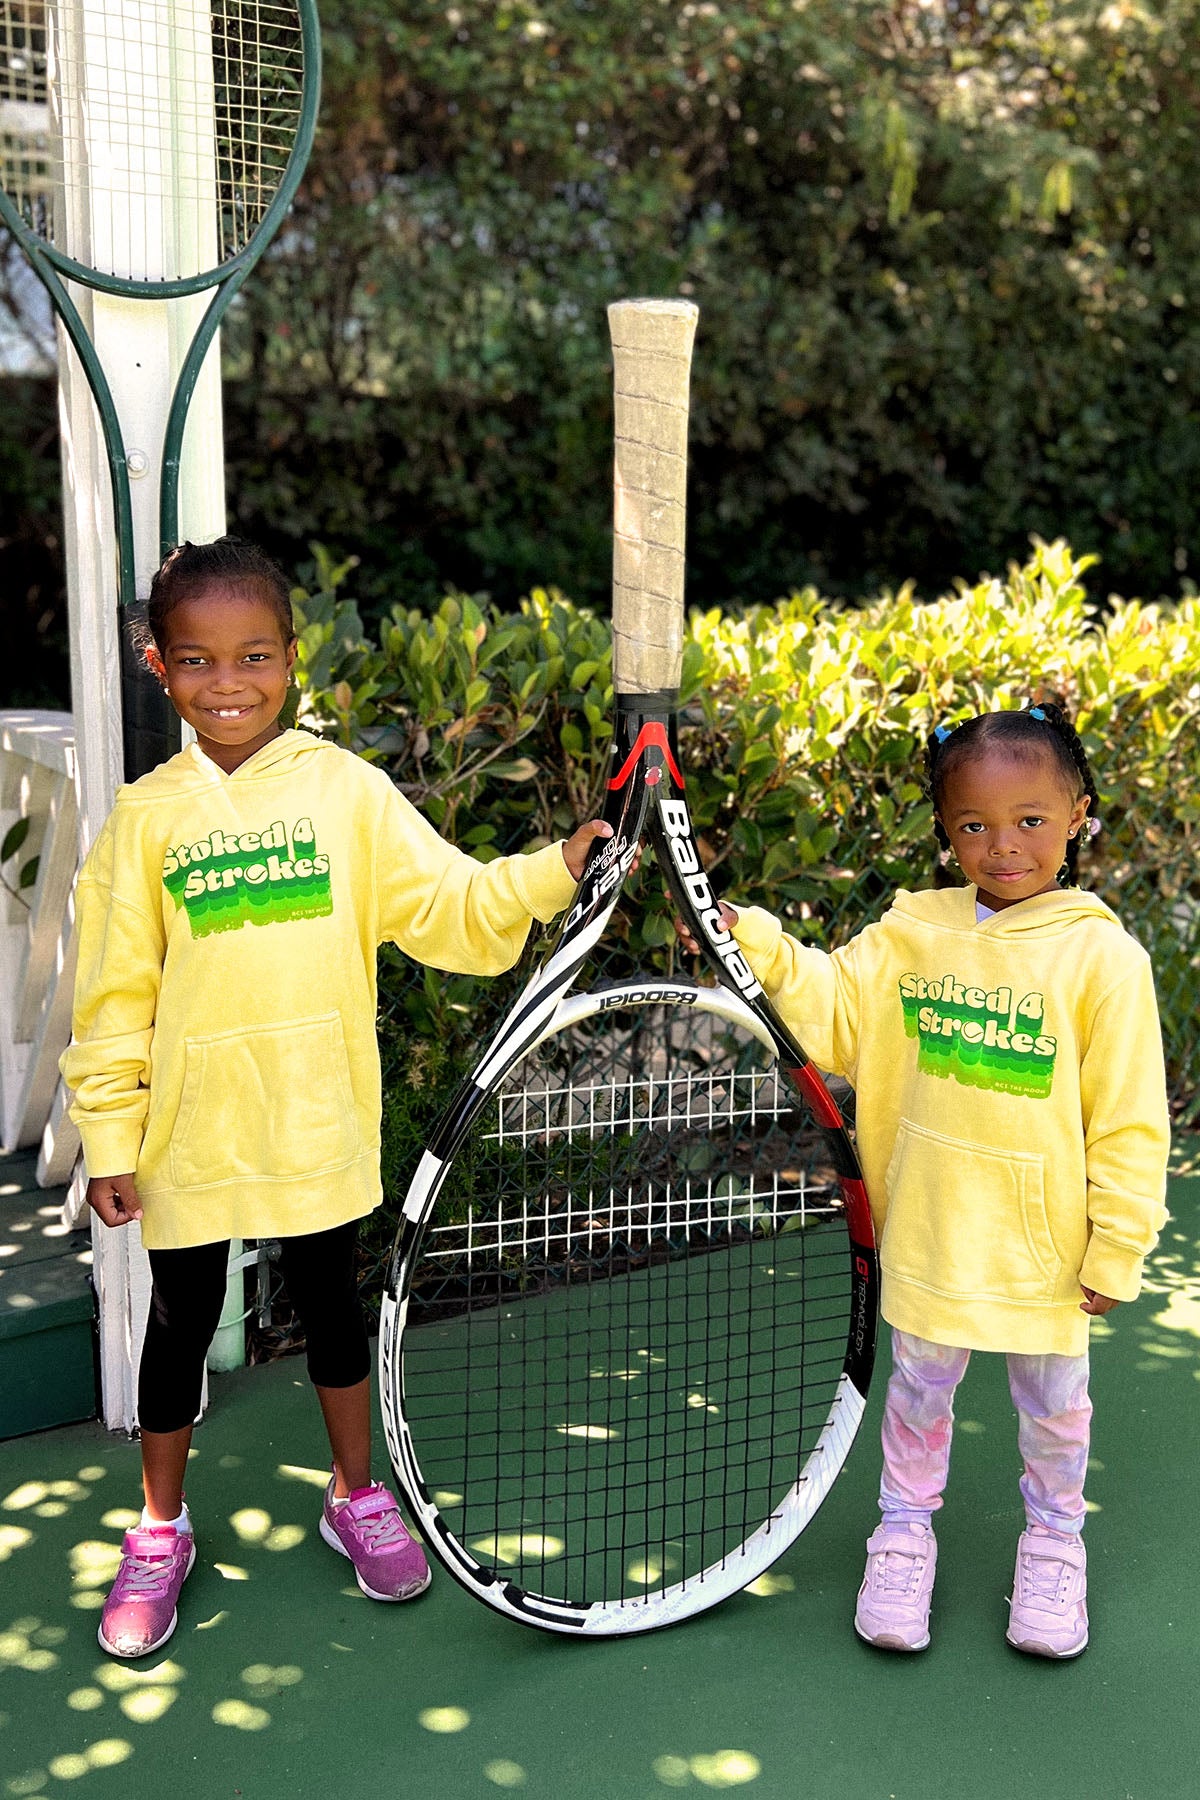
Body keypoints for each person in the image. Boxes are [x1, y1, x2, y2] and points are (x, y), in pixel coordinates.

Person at [62, 536, 611, 1660]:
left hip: (317, 1115)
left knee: (332, 1312)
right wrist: (110, 1134)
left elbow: (451, 901)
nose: (229, 683)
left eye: (254, 655)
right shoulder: (144, 821)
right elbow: (111, 999)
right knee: (176, 1326)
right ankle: (160, 1528)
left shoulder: (344, 793)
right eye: (199, 660)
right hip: (191, 1134)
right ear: (161, 670)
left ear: (293, 659)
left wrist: (554, 868)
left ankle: (355, 1497)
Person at [675, 702, 1170, 1658]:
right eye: (974, 825)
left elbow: (1129, 1121)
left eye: (1031, 819)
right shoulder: (910, 937)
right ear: (946, 833)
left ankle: (1056, 1543)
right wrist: (761, 943)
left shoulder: (1104, 958)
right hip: (933, 1240)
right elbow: (832, 1013)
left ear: (1079, 814)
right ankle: (903, 1532)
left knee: (1057, 1413)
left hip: (1049, 1260)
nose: (1005, 845)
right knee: (916, 1396)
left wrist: (1119, 1244)